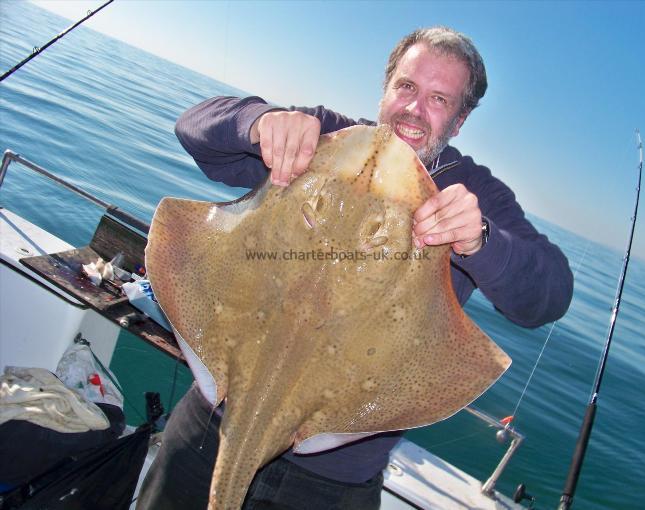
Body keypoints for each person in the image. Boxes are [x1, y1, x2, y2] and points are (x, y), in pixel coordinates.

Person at [137, 26, 573, 510]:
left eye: (438, 99)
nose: (414, 108)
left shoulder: (475, 192)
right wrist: (259, 122)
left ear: (459, 119)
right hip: (208, 423)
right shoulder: (324, 136)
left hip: (330, 486)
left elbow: (549, 297)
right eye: (406, 87)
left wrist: (482, 240)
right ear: (387, 87)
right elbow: (195, 127)